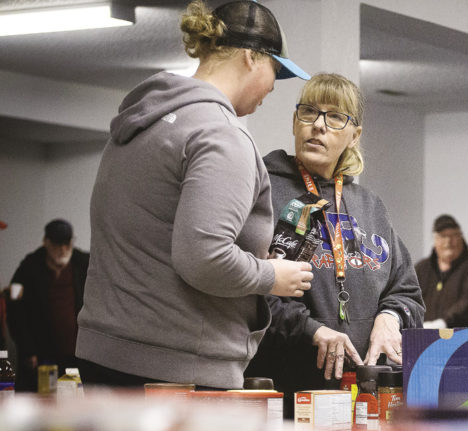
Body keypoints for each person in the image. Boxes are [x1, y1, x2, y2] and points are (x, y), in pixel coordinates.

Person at [75, 0, 314, 390]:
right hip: (176, 368)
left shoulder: (143, 122)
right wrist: (272, 276)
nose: (273, 87)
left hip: (106, 353)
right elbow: (204, 258)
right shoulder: (221, 134)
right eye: (276, 71)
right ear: (252, 58)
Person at [246, 73, 425, 416]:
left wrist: (390, 317)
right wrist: (311, 329)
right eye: (309, 113)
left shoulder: (370, 206)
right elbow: (248, 287)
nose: (318, 126)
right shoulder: (264, 192)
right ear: (295, 122)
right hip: (283, 388)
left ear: (354, 135)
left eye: (335, 117)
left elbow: (408, 292)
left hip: (362, 394)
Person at [6, 219, 89, 391]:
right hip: (41, 356)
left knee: (73, 405)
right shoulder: (30, 266)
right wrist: (27, 348)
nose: (63, 250)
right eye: (57, 244)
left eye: (67, 244)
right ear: (46, 242)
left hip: (76, 357)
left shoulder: (82, 263)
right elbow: (16, 311)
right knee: (42, 403)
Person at [415, 214, 468, 328]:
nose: (448, 242)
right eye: (443, 236)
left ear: (461, 237)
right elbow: (408, 299)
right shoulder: (421, 269)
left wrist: (443, 323)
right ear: (435, 239)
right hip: (426, 340)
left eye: (453, 235)